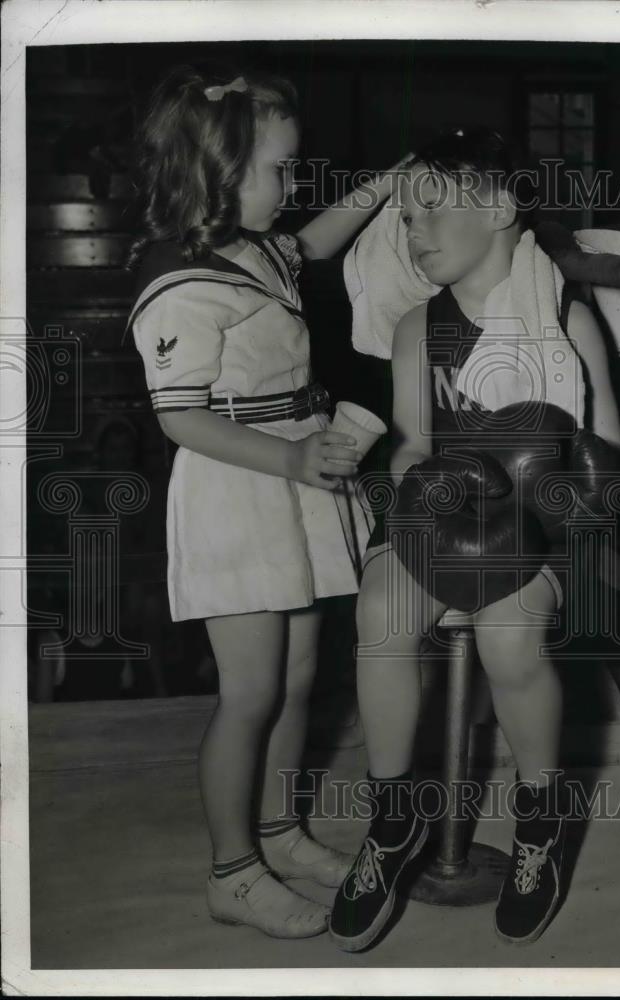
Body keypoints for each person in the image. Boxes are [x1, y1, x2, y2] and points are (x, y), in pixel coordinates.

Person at [329, 127, 620, 951]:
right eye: (403, 219)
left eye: (429, 212)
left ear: (498, 207)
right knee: (382, 611)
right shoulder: (416, 328)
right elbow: (414, 442)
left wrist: (570, 482)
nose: (411, 233)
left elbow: (610, 450)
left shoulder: (564, 318)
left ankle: (539, 821)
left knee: (507, 633)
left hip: (538, 530)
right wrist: (423, 482)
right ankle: (393, 823)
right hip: (447, 519)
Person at [128, 62, 403, 939]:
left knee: (295, 679)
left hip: (294, 472)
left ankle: (280, 833)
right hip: (237, 485)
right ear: (218, 174)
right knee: (248, 693)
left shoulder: (256, 246)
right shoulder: (179, 277)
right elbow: (181, 421)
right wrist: (289, 464)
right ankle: (231, 871)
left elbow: (315, 241)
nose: (293, 185)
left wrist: (389, 184)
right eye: (281, 170)